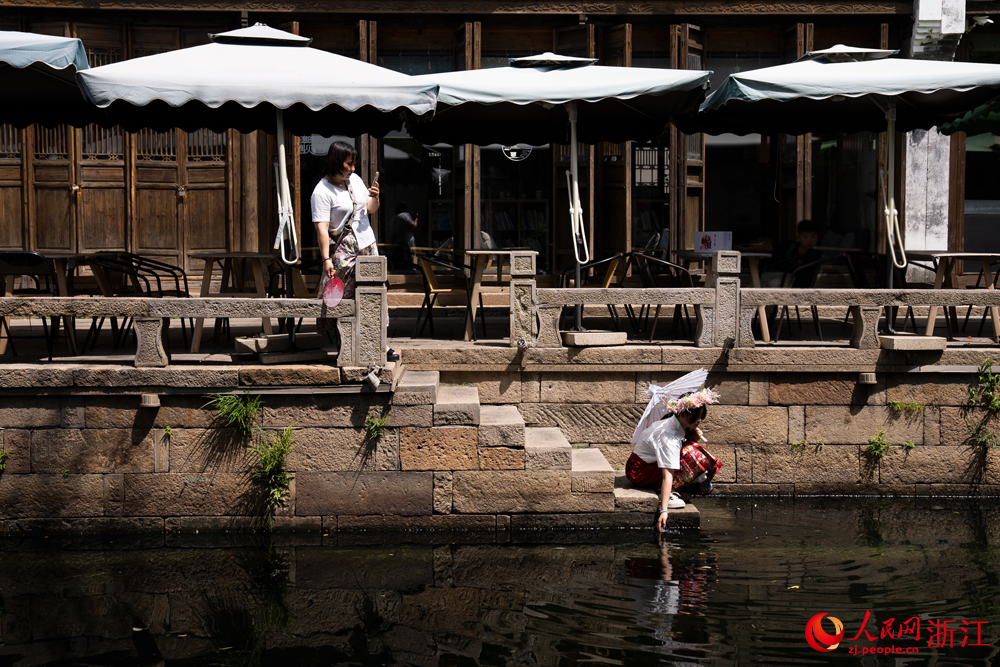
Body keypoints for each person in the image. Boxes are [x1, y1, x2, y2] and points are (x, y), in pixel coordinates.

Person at [312, 141, 388, 354]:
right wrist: (326, 259)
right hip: (343, 251)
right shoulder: (321, 191)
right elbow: (322, 229)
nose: (353, 169)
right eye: (349, 164)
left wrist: (375, 197)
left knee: (374, 294)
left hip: (367, 244)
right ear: (336, 162)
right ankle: (348, 346)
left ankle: (378, 345)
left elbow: (369, 209)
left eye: (354, 164)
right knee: (344, 297)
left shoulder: (354, 180)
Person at [626, 388, 719, 531]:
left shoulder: (674, 423)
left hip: (645, 465)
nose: (699, 420)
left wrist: (693, 436)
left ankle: (679, 487)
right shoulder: (668, 435)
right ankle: (666, 494)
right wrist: (664, 510)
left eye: (701, 416)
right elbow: (667, 473)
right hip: (639, 472)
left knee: (690, 449)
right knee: (692, 455)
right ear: (682, 413)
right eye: (696, 417)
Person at [760, 219, 822, 288]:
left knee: (773, 284)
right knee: (757, 279)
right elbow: (770, 247)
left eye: (813, 237)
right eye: (805, 237)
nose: (809, 240)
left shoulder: (814, 256)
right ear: (798, 237)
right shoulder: (789, 245)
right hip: (779, 274)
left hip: (792, 280)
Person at [388, 201, 418, 268]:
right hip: (407, 241)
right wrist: (416, 221)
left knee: (400, 260)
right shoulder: (404, 215)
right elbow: (412, 225)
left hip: (397, 241)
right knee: (410, 258)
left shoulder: (394, 218)